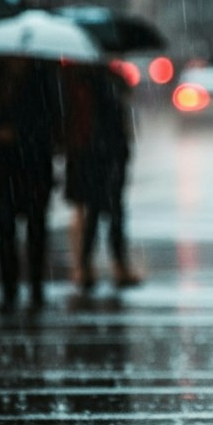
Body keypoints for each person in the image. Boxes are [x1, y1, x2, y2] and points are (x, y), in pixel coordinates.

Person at [0, 56, 60, 315]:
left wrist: (24, 134)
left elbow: (55, 118)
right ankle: (9, 290)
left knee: (36, 230)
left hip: (35, 166)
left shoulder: (43, 76)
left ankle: (35, 288)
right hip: (4, 167)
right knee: (5, 232)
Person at [76, 67, 141, 291]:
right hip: (101, 155)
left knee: (102, 212)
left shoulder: (99, 81)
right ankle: (104, 265)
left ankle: (93, 265)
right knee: (106, 212)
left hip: (103, 155)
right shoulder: (97, 83)